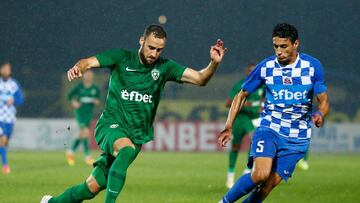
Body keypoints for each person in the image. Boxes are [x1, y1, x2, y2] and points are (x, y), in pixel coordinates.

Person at [41, 24, 226, 203]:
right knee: (126, 149)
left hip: (136, 135)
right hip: (111, 125)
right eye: (151, 47)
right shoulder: (121, 58)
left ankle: (51, 202)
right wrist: (78, 68)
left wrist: (213, 63)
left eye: (159, 50)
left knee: (91, 187)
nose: (154, 53)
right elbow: (87, 62)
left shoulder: (165, 67)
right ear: (141, 41)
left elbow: (201, 79)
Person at [218, 23, 329, 203]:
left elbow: (323, 101)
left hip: (297, 138)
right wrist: (228, 125)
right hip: (270, 128)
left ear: (296, 44)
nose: (279, 51)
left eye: (283, 46)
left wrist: (320, 114)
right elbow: (241, 94)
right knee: (260, 174)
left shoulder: (312, 66)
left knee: (267, 186)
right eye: (276, 46)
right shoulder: (266, 67)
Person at [225, 63, 265, 188]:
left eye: (254, 71)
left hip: (254, 119)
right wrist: (246, 104)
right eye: (250, 71)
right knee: (236, 147)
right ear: (246, 72)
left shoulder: (262, 85)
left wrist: (261, 105)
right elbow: (228, 103)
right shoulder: (240, 85)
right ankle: (230, 176)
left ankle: (248, 171)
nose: (252, 73)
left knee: (255, 141)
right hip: (240, 119)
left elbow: (265, 97)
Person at [66, 70, 101, 166]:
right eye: (86, 75)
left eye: (90, 75)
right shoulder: (79, 86)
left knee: (82, 134)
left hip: (89, 113)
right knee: (85, 132)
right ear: (83, 76)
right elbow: (69, 96)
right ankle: (87, 156)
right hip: (80, 112)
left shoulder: (96, 88)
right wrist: (74, 102)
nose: (88, 76)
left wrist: (96, 101)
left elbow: (98, 99)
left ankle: (70, 151)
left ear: (92, 76)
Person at [0, 62, 24, 174]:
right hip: (0, 118)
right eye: (4, 69)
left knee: (5, 142)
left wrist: (13, 100)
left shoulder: (14, 84)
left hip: (10, 118)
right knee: (3, 140)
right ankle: (5, 165)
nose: (6, 71)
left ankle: (4, 160)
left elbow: (21, 99)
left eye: (8, 69)